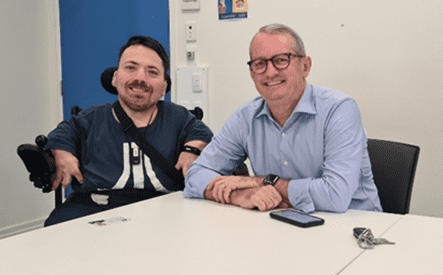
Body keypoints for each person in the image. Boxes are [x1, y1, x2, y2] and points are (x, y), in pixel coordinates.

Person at [183, 24, 382, 213]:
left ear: (305, 66)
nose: (270, 72)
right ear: (252, 74)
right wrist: (241, 196)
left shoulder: (339, 109)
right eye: (259, 64)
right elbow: (196, 175)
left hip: (355, 228)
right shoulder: (246, 117)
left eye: (281, 60)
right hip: (281, 225)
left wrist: (263, 182)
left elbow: (335, 196)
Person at [44, 36, 213, 226]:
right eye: (131, 67)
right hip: (93, 208)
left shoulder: (178, 116)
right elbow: (62, 133)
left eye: (152, 72)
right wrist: (62, 153)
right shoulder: (92, 118)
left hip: (164, 210)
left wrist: (192, 150)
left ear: (164, 87)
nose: (140, 78)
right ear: (115, 78)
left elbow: (202, 132)